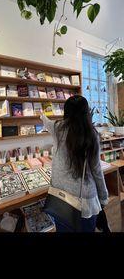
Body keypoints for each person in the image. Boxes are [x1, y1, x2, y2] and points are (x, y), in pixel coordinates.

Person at [40, 95, 108, 232]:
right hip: (84, 201)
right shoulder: (91, 135)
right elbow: (96, 171)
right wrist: (103, 197)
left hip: (60, 200)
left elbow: (46, 122)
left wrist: (41, 114)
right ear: (86, 112)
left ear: (66, 111)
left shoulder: (58, 128)